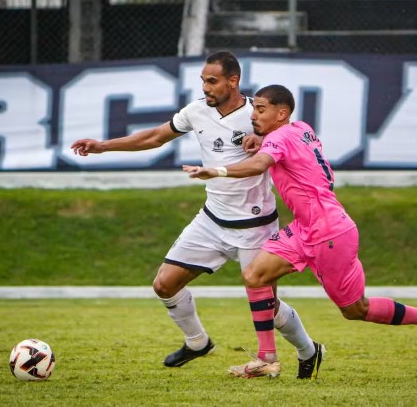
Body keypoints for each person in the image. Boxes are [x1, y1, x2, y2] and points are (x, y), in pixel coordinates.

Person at [71, 52, 324, 379]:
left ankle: (308, 350)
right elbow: (154, 137)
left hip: (255, 227)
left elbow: (288, 138)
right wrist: (103, 146)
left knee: (268, 309)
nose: (205, 87)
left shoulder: (257, 113)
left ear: (233, 81)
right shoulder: (196, 111)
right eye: (203, 80)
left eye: (212, 80)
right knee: (164, 284)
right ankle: (197, 342)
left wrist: (263, 138)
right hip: (212, 220)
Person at [183, 84, 417, 379]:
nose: (254, 114)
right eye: (254, 108)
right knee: (254, 275)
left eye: (260, 109)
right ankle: (266, 358)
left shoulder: (279, 138)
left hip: (330, 233)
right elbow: (277, 144)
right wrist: (261, 136)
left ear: (281, 112)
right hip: (306, 228)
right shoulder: (299, 127)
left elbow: (260, 164)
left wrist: (218, 170)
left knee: (355, 310)